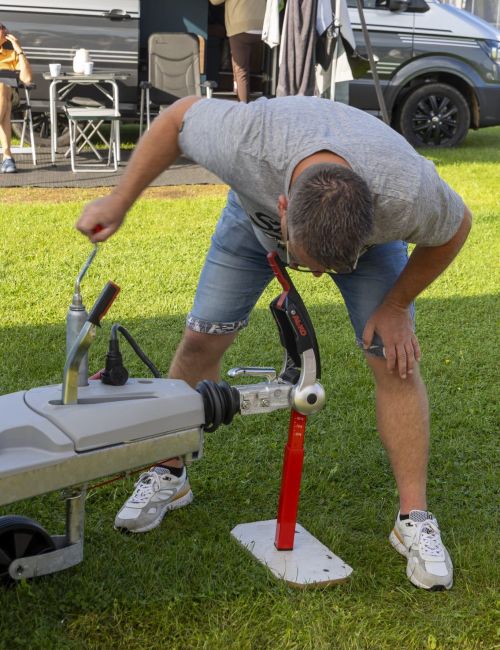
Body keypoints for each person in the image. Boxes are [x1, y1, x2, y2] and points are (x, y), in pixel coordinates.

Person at [76, 95, 471, 591]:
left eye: (329, 267)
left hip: (365, 238)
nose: (316, 276)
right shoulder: (246, 139)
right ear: (283, 209)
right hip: (250, 220)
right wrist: (119, 199)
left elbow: (457, 228)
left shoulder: (405, 191)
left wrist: (394, 308)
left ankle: (413, 517)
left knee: (396, 362)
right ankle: (169, 472)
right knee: (201, 341)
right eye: (310, 261)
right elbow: (177, 118)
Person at [210, 0, 266, 103]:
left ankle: (244, 109)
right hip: (263, 26)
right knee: (270, 64)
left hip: (240, 26)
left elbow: (215, 1)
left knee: (241, 71)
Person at [0, 21, 33, 173]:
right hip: (5, 103)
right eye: (1, 28)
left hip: (10, 95)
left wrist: (19, 49)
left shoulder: (12, 54)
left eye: (3, 28)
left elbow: (27, 79)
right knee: (5, 108)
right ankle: (7, 157)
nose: (4, 30)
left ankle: (7, 157)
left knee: (1, 87)